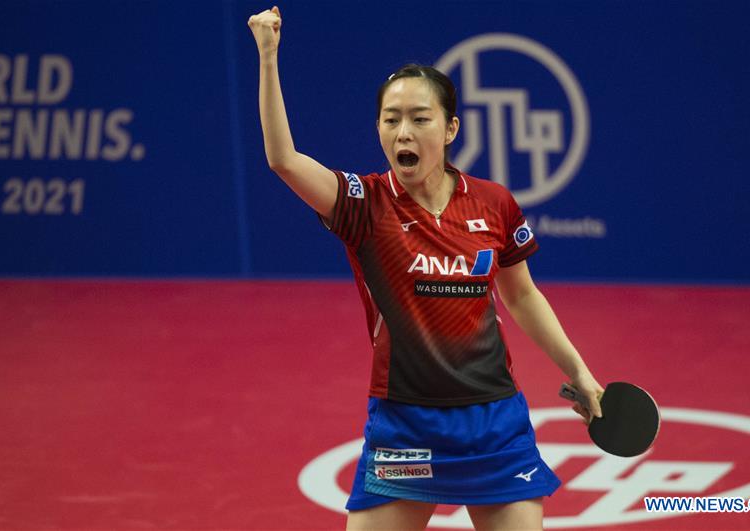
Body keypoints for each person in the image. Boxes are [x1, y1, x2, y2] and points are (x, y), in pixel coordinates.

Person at [248, 6, 604, 530]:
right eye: (391, 120)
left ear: (451, 127)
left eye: (420, 118)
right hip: (405, 427)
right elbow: (283, 159)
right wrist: (269, 55)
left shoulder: (493, 203)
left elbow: (522, 296)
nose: (403, 132)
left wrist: (578, 369)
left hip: (493, 423)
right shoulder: (363, 203)